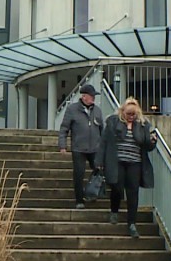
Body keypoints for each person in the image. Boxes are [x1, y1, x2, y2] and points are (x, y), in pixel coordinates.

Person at [98, 97, 157, 238]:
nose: (131, 117)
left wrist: (153, 141)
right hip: (117, 161)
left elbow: (148, 146)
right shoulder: (113, 122)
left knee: (133, 192)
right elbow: (104, 142)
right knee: (117, 188)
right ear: (122, 112)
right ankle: (114, 211)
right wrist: (99, 161)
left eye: (133, 114)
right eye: (128, 114)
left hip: (135, 162)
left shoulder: (143, 125)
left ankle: (132, 223)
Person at [59, 84, 104, 209]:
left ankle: (92, 193)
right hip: (79, 148)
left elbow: (102, 130)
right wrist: (63, 145)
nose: (93, 98)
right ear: (84, 97)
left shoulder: (97, 110)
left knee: (98, 170)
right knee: (79, 173)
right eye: (91, 96)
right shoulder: (72, 110)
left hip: (95, 148)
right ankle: (79, 200)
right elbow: (64, 128)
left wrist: (103, 148)